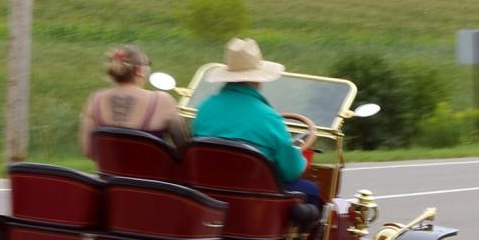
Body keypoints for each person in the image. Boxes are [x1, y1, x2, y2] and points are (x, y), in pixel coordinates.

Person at [192, 38, 320, 204]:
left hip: (207, 193)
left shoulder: (205, 108)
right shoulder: (269, 117)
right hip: (254, 199)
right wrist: (298, 154)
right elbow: (291, 171)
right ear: (258, 79)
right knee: (312, 190)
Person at [80, 45, 188, 158]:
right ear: (140, 70)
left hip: (110, 175)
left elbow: (89, 151)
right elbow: (184, 149)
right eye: (148, 64)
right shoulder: (162, 100)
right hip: (153, 174)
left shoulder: (96, 100)